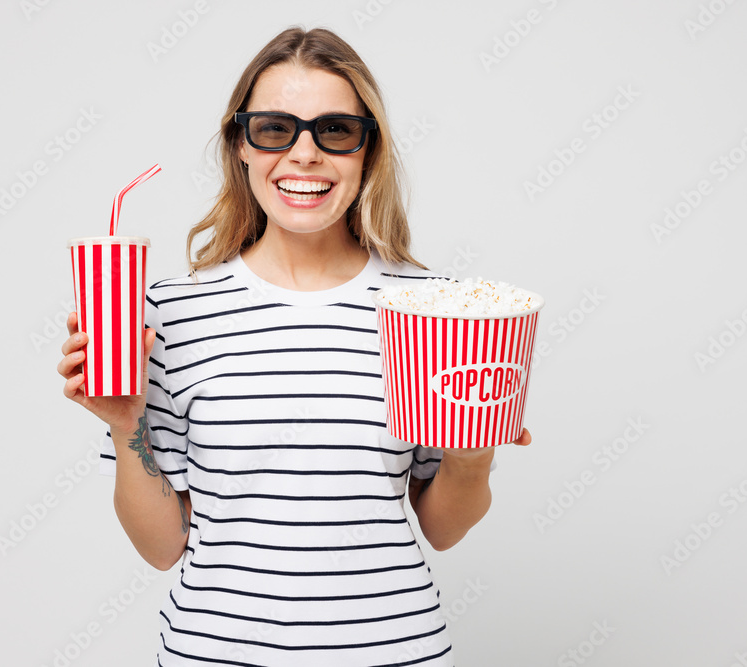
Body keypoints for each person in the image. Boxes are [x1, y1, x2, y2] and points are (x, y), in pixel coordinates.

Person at [58, 26, 531, 666]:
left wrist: (473, 453)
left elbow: (443, 529)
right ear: (240, 145)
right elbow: (162, 546)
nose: (304, 154)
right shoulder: (169, 313)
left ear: (368, 149)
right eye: (275, 129)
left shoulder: (433, 310)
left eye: (335, 130)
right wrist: (125, 427)